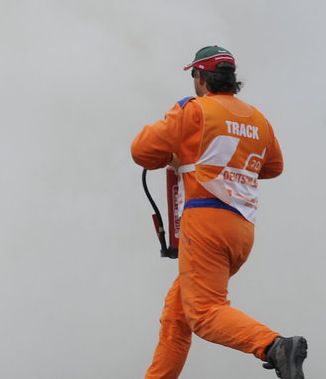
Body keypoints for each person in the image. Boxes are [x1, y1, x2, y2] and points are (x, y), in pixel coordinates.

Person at [130, 46, 307, 379]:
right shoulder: (257, 118)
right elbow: (273, 166)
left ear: (200, 77)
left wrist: (179, 155)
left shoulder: (194, 110)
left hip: (205, 221)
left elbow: (141, 151)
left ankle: (273, 346)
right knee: (176, 316)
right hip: (241, 229)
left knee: (205, 313)